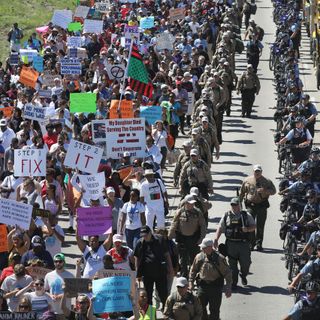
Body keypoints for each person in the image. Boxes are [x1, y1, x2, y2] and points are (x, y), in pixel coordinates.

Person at [214, 198, 256, 289]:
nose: (234, 207)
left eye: (236, 205)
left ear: (239, 205)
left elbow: (254, 226)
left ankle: (243, 274)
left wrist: (247, 229)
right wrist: (216, 239)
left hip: (243, 244)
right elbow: (220, 228)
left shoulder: (246, 215)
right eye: (232, 205)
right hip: (231, 244)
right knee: (232, 265)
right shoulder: (226, 215)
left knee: (246, 263)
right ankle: (234, 283)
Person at [189, 238, 232, 320]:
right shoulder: (199, 257)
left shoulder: (220, 258)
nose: (202, 249)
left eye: (204, 247)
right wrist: (191, 282)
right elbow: (193, 270)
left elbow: (227, 273)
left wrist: (228, 287)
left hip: (215, 288)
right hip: (202, 287)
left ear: (210, 247)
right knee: (200, 309)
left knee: (214, 311)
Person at [134, 226, 174, 308]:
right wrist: (138, 272)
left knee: (163, 294)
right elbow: (136, 258)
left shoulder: (160, 239)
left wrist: (171, 269)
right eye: (143, 235)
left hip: (160, 272)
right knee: (147, 296)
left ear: (150, 233)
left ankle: (166, 311)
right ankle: (151, 315)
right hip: (147, 274)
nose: (144, 237)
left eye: (146, 235)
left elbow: (167, 254)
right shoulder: (140, 242)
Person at [239, 164, 276, 251]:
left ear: (261, 172)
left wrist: (265, 191)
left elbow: (274, 191)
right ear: (253, 171)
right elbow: (242, 192)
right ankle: (251, 243)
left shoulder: (267, 181)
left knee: (260, 225)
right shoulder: (247, 180)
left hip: (262, 205)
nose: (257, 173)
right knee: (250, 224)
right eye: (256, 171)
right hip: (250, 205)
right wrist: (238, 202)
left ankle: (259, 243)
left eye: (259, 171)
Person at [168, 194, 206, 278]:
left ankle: (195, 277)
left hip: (194, 239)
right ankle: (184, 278)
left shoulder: (197, 212)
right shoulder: (179, 212)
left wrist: (201, 238)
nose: (191, 205)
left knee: (194, 260)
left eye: (193, 203)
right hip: (182, 240)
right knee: (183, 260)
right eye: (190, 203)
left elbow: (203, 225)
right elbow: (174, 225)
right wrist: (169, 238)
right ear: (185, 203)